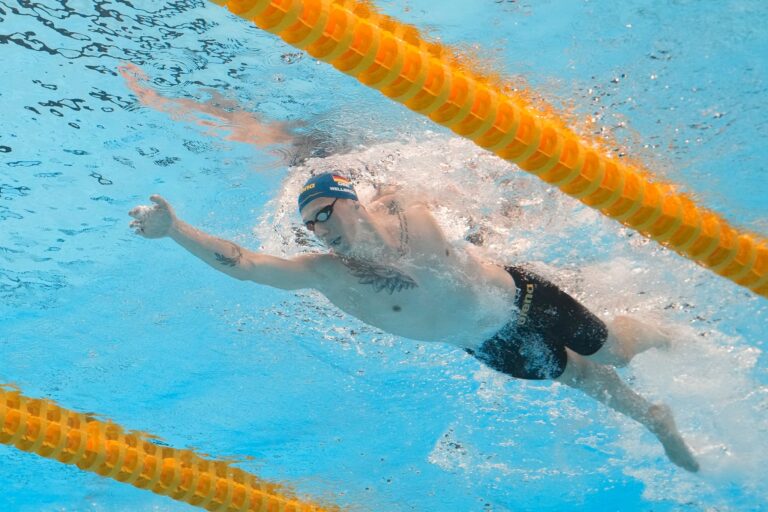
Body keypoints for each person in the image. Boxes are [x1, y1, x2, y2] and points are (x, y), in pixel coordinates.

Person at [129, 172, 699, 472]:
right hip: (484, 343)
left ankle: (663, 331)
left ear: (349, 200)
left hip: (522, 297)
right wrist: (176, 231)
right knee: (576, 378)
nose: (320, 229)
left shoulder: (411, 208)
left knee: (612, 353)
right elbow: (248, 265)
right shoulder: (329, 274)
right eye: (310, 224)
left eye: (324, 213)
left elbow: (471, 179)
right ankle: (656, 420)